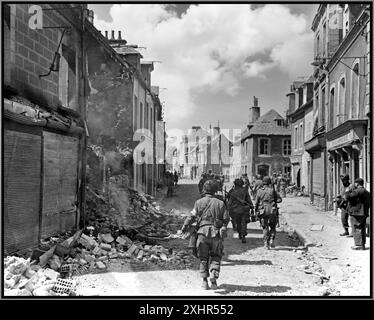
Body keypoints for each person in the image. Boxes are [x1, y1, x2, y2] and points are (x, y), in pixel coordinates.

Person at [181, 180, 230, 290]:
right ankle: (214, 275)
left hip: (202, 233)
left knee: (203, 258)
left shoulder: (198, 202)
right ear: (215, 190)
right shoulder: (221, 203)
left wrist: (184, 226)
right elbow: (226, 219)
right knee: (216, 255)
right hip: (216, 234)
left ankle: (204, 282)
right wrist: (222, 225)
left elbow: (191, 216)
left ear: (204, 190)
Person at [254, 176, 282, 249]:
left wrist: (255, 210)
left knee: (265, 227)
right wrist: (274, 201)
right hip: (272, 210)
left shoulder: (259, 191)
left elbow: (256, 202)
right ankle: (272, 239)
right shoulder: (272, 190)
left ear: (263, 183)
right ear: (269, 182)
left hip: (263, 211)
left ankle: (266, 243)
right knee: (273, 226)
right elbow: (279, 199)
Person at [345, 178, 371, 250]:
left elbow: (348, 197)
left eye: (355, 183)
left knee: (356, 227)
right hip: (364, 213)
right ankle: (362, 244)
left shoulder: (357, 191)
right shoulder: (367, 192)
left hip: (356, 213)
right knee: (362, 228)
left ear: (357, 184)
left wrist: (347, 190)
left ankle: (359, 245)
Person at [227, 178, 253, 243]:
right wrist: (251, 205)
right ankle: (243, 235)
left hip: (235, 210)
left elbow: (229, 202)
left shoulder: (232, 191)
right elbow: (248, 200)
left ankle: (240, 233)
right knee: (244, 222)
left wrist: (228, 208)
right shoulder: (245, 190)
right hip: (244, 209)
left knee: (238, 222)